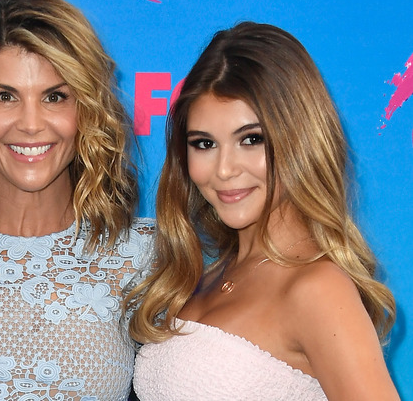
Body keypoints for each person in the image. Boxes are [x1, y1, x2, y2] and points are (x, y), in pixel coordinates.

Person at [0, 0, 156, 400]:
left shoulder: (142, 256)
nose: (31, 124)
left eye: (55, 97)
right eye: (5, 97)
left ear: (86, 112)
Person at [128, 22, 399, 400]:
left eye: (251, 140)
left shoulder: (317, 289)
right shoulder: (207, 276)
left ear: (300, 139)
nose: (224, 169)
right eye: (204, 143)